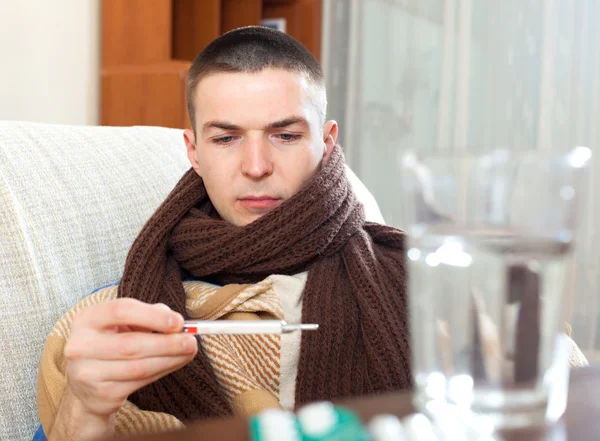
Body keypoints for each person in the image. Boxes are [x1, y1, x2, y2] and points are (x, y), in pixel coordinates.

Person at [36, 26, 411, 441]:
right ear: (194, 152)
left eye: (285, 136)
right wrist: (85, 408)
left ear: (326, 144)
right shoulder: (113, 326)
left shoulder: (415, 286)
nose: (255, 166)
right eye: (226, 138)